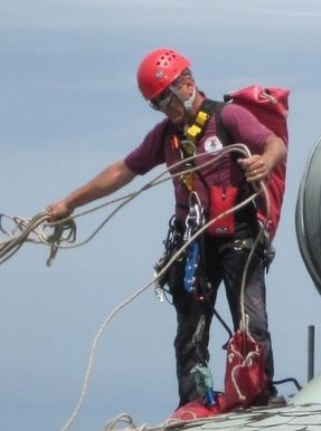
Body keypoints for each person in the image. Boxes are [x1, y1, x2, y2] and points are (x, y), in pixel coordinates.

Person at [47, 48, 287, 408]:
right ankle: (194, 402)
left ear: (187, 84)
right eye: (156, 104)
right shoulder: (165, 137)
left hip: (239, 238)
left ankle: (257, 394)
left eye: (167, 100)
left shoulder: (228, 118)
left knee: (250, 320)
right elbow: (120, 172)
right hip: (192, 245)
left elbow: (274, 143)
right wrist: (70, 203)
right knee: (190, 329)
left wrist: (265, 161)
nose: (164, 109)